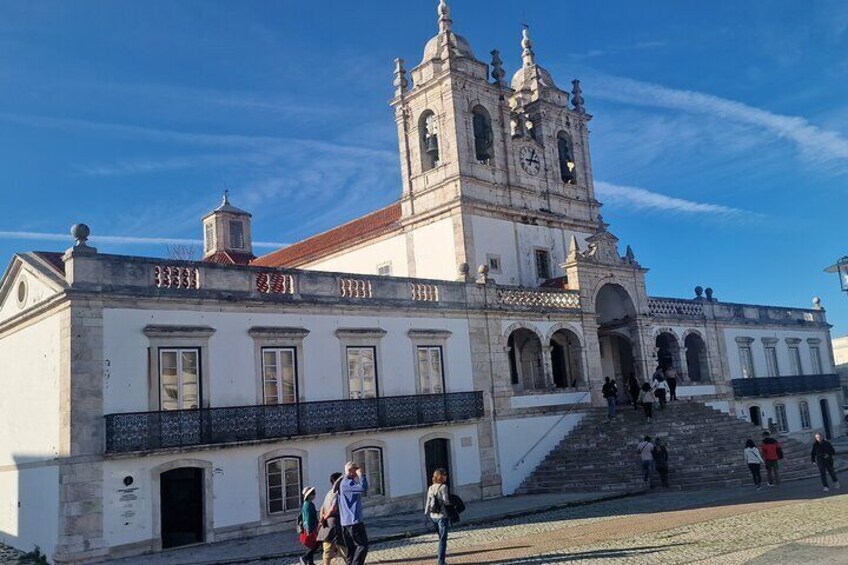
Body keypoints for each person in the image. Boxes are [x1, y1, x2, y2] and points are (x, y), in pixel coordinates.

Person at [339, 461, 369, 565]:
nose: (357, 471)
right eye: (355, 469)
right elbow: (363, 488)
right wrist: (362, 476)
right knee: (362, 545)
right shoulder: (347, 483)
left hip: (346, 521)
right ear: (350, 470)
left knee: (351, 549)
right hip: (353, 520)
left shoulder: (344, 482)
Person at [317, 472, 346, 565]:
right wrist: (325, 517)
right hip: (335, 522)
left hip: (327, 524)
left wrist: (322, 519)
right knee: (343, 547)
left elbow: (322, 508)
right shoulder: (337, 493)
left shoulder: (328, 493)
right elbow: (333, 509)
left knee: (327, 548)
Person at [425, 468, 452, 565]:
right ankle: (441, 562)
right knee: (442, 540)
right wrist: (451, 506)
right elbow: (446, 501)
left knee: (440, 537)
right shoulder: (444, 487)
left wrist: (426, 513)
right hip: (442, 515)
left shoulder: (431, 488)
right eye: (445, 475)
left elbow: (428, 502)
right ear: (441, 476)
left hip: (433, 516)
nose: (446, 476)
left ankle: (441, 560)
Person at [299, 486, 320, 565]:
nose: (314, 495)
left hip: (312, 526)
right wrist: (308, 530)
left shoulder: (309, 504)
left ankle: (310, 562)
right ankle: (305, 557)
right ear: (309, 495)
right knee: (316, 544)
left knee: (311, 545)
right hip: (311, 528)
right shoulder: (308, 505)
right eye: (313, 493)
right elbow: (307, 518)